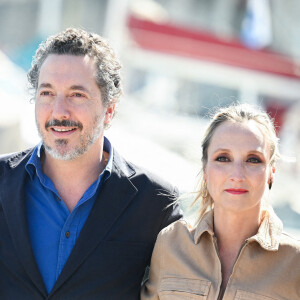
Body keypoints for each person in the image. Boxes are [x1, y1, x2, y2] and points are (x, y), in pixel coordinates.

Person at [0, 28, 182, 300]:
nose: (59, 111)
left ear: (109, 109)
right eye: (47, 93)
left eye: (77, 95)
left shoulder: (154, 202)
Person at [141, 103, 300, 300]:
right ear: (205, 170)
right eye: (223, 158)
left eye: (253, 160)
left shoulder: (294, 261)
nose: (237, 174)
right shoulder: (171, 243)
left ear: (271, 173)